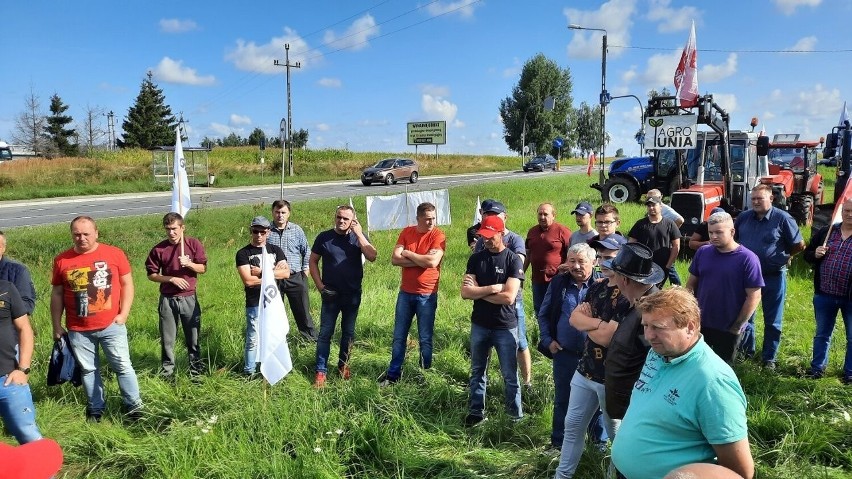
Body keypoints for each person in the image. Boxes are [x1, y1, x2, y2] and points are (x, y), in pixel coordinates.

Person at [611, 287, 755, 479]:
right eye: (646, 326)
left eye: (658, 327)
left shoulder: (713, 382)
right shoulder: (659, 352)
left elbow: (739, 472)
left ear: (690, 327)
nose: (648, 336)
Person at [50, 216, 143, 421]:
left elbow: (127, 284)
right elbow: (57, 294)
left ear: (96, 233)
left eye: (86, 234)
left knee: (122, 366)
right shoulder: (62, 260)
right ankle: (95, 408)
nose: (81, 238)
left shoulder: (114, 254)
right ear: (71, 235)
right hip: (78, 328)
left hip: (112, 324)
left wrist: (124, 314)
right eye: (76, 234)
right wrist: (57, 325)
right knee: (88, 370)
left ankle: (134, 407)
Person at [553, 239, 628, 478]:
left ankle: (615, 472)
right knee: (572, 426)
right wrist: (599, 325)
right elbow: (574, 320)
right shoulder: (597, 286)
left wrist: (591, 325)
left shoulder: (629, 295)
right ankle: (562, 475)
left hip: (611, 378)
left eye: (611, 257)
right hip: (585, 370)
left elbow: (609, 339)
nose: (605, 261)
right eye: (602, 256)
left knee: (616, 431)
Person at [461, 215, 524, 426]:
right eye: (483, 236)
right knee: (478, 370)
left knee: (509, 374)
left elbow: (509, 297)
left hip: (505, 326)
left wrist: (478, 292)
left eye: (490, 236)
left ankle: (514, 416)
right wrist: (491, 289)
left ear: (501, 233)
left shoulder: (513, 260)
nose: (486, 240)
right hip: (480, 323)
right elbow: (465, 293)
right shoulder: (476, 259)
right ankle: (476, 412)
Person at [735, 184, 805, 368]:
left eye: (760, 198)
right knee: (746, 316)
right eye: (754, 199)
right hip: (747, 278)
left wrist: (786, 257)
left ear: (771, 199)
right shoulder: (743, 218)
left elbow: (799, 244)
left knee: (773, 320)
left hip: (773, 276)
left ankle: (769, 358)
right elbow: (734, 240)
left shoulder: (783, 219)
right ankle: (746, 352)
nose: (756, 202)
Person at [537, 243, 599, 449]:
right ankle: (558, 444)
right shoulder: (559, 284)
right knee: (563, 399)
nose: (577, 266)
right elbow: (544, 314)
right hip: (565, 355)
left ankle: (596, 446)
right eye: (572, 261)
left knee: (596, 403)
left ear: (593, 262)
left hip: (595, 357)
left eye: (582, 261)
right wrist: (548, 341)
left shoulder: (603, 286)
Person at [309, 205, 377, 387]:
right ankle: (321, 371)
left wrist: (359, 233)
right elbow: (313, 261)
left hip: (352, 295)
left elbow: (372, 256)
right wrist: (320, 286)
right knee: (325, 333)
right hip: (330, 294)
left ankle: (343, 365)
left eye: (346, 219)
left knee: (348, 333)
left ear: (352, 221)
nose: (341, 221)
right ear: (335, 217)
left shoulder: (358, 238)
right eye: (339, 217)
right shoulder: (324, 237)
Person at [379, 202, 446, 386]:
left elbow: (432, 262)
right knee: (399, 336)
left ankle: (424, 375)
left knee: (425, 338)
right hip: (406, 293)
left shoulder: (438, 235)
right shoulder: (407, 232)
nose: (431, 222)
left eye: (433, 218)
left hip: (427, 294)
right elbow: (394, 259)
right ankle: (393, 375)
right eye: (427, 219)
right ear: (418, 218)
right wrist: (421, 260)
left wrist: (408, 253)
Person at [686, 212, 763, 364]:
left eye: (719, 232)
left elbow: (754, 296)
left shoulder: (748, 259)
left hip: (728, 328)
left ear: (732, 232)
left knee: (722, 370)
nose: (713, 236)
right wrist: (689, 313)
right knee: (696, 366)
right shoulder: (703, 252)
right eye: (710, 232)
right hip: (700, 323)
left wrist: (737, 326)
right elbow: (690, 285)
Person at [472, 200, 532, 387]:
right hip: (486, 302)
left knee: (520, 341)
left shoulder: (515, 240)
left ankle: (527, 381)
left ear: (504, 217)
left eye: (496, 215)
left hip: (512, 301)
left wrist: (479, 290)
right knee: (484, 342)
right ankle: (484, 377)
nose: (492, 218)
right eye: (488, 215)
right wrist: (489, 289)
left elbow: (515, 271)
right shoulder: (482, 240)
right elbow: (475, 272)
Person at [600, 242, 662, 423]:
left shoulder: (652, 311)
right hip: (627, 404)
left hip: (637, 406)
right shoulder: (637, 302)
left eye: (615, 274)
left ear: (624, 279)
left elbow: (654, 360)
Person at [145, 212, 208, 378]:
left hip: (189, 298)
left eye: (174, 229)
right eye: (168, 229)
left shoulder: (193, 244)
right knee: (167, 341)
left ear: (182, 228)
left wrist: (189, 264)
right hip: (168, 299)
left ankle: (196, 372)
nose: (171, 233)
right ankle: (168, 374)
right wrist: (171, 279)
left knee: (193, 339)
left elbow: (203, 268)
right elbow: (151, 274)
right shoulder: (159, 249)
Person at [803, 199, 852, 382]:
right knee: (822, 333)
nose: (849, 214)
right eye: (846, 210)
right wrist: (814, 254)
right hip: (825, 293)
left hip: (850, 298)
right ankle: (817, 369)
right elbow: (807, 254)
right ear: (842, 211)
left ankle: (850, 373)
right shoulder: (828, 231)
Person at [235, 216, 290, 376]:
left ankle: (273, 370)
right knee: (253, 338)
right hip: (254, 303)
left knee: (275, 335)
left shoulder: (276, 250)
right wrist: (273, 274)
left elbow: (286, 273)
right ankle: (249, 371)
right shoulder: (243, 253)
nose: (258, 235)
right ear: (250, 231)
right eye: (255, 231)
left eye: (262, 232)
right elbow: (248, 281)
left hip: (274, 302)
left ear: (268, 232)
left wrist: (262, 271)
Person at [268, 200, 317, 342]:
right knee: (275, 312)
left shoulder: (296, 230)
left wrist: (304, 272)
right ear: (272, 212)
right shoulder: (267, 231)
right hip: (274, 279)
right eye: (277, 212)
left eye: (283, 212)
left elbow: (306, 251)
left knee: (303, 311)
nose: (280, 215)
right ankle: (278, 341)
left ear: (289, 214)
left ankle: (310, 340)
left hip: (295, 277)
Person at [0, 279, 42, 443]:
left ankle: (43, 468)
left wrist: (23, 369)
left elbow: (24, 327)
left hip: (7, 379)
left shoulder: (6, 288)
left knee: (28, 435)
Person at [525, 202, 572, 317]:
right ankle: (543, 334)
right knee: (540, 311)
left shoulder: (562, 231)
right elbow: (528, 254)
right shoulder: (532, 231)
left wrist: (566, 267)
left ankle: (557, 334)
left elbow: (572, 253)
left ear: (553, 215)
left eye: (545, 214)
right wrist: (520, 273)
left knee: (556, 311)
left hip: (556, 279)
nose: (542, 217)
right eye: (540, 214)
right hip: (537, 280)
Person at [628, 196, 681, 287]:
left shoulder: (670, 224)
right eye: (649, 206)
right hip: (643, 268)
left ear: (661, 207)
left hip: (662, 266)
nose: (651, 208)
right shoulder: (640, 224)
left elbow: (676, 246)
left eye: (653, 205)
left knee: (657, 292)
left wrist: (668, 265)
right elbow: (631, 245)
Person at [646, 189, 684, 285]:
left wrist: (670, 233)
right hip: (656, 244)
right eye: (648, 197)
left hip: (665, 244)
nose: (650, 199)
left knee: (669, 267)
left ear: (660, 198)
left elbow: (680, 220)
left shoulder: (666, 209)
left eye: (653, 197)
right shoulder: (651, 207)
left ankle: (678, 287)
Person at [0, 231, 36, 316]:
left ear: (4, 248)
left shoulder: (17, 272)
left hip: (7, 325)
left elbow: (27, 305)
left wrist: (4, 307)